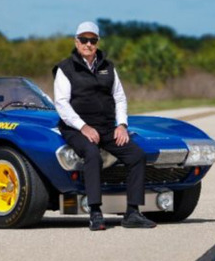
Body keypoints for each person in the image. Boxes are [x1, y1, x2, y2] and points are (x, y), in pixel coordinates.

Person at [53, 21, 156, 230]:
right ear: (76, 42)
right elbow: (61, 104)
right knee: (92, 154)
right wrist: (83, 127)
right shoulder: (65, 68)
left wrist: (122, 125)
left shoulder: (108, 67)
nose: (88, 44)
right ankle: (95, 213)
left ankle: (132, 213)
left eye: (92, 40)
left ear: (97, 42)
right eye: (83, 40)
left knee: (136, 155)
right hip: (75, 128)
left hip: (107, 127)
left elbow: (120, 98)